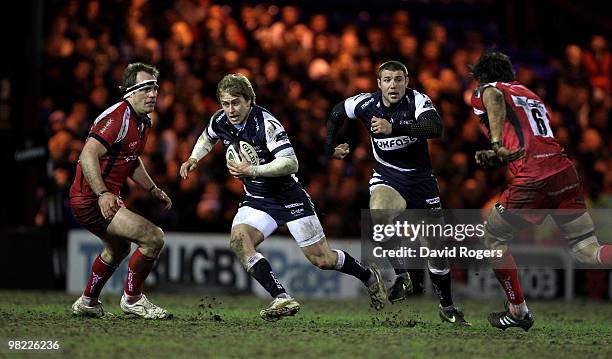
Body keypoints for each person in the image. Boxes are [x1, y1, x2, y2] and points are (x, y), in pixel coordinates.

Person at [180, 74, 387, 321]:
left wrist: (252, 170)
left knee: (322, 260)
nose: (230, 109)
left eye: (236, 103)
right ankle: (281, 297)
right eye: (225, 104)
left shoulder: (266, 124)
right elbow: (208, 136)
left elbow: (291, 163)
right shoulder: (221, 119)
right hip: (257, 199)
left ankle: (368, 276)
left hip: (288, 196)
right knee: (239, 239)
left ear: (249, 101)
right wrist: (194, 158)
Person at [470, 51, 612, 331]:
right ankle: (517, 310)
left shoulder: (489, 89)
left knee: (492, 237)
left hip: (534, 177)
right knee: (586, 249)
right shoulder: (529, 93)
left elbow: (493, 98)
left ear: (483, 76)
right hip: (564, 172)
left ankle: (518, 311)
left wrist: (496, 144)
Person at [324, 60, 470, 326]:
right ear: (379, 84)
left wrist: (395, 128)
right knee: (378, 213)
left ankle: (447, 305)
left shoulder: (417, 101)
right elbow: (336, 112)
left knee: (436, 249)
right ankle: (402, 275)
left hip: (421, 182)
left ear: (407, 82)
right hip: (388, 177)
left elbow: (434, 128)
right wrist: (330, 147)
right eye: (388, 80)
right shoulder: (365, 104)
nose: (393, 85)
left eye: (399, 79)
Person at [69, 62, 172, 319]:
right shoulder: (117, 118)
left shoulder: (143, 122)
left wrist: (152, 189)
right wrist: (103, 193)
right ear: (129, 91)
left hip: (102, 197)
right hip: (91, 198)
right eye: (146, 88)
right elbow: (87, 154)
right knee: (153, 238)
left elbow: (132, 158)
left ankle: (87, 302)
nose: (153, 94)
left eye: (155, 88)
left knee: (118, 249)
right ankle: (133, 300)